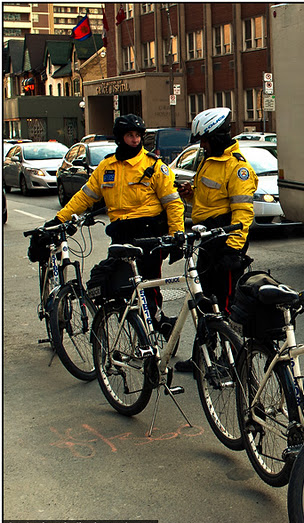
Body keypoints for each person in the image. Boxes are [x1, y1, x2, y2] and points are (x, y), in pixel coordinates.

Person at [47, 114, 184, 335]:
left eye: (138, 135)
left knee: (148, 286)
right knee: (119, 287)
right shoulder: (106, 166)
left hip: (148, 233)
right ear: (120, 138)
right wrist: (61, 218)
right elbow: (85, 197)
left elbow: (173, 203)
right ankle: (135, 331)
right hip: (120, 234)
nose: (135, 140)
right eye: (130, 135)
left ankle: (159, 325)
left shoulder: (154, 166)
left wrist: (177, 234)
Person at [174, 107, 256, 372]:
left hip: (226, 243)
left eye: (206, 140)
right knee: (205, 301)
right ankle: (203, 356)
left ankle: (232, 359)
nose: (203, 145)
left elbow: (243, 212)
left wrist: (233, 251)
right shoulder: (209, 161)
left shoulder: (238, 168)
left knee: (228, 306)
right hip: (208, 240)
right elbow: (208, 199)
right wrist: (190, 194)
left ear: (219, 136)